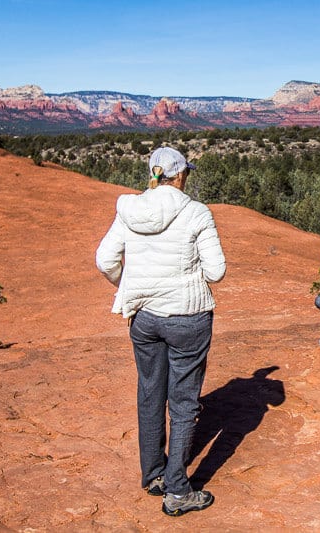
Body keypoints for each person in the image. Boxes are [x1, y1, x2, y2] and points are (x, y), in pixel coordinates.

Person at [95, 146, 226, 517]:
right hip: (188, 316)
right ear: (181, 175)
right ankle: (179, 492)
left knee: (150, 393)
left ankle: (154, 474)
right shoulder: (197, 212)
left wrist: (131, 284)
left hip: (144, 319)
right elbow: (216, 272)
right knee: (183, 403)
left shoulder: (129, 210)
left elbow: (105, 260)